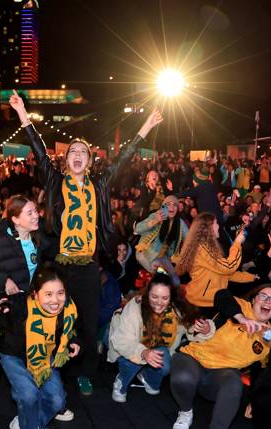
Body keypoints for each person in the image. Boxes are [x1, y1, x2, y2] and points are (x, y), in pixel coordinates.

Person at [10, 90, 163, 395]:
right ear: (66, 160)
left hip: (88, 267)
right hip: (60, 266)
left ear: (89, 160)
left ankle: (86, 372)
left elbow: (123, 158)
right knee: (58, 319)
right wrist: (22, 115)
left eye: (83, 151)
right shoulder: (55, 182)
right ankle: (55, 369)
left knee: (89, 324)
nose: (77, 154)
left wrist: (145, 127)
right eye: (72, 152)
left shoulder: (99, 185)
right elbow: (39, 151)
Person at [169, 285, 271, 429]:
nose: (268, 302)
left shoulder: (268, 338)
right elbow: (221, 295)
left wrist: (255, 399)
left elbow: (263, 372)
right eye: (263, 296)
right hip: (193, 358)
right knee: (183, 378)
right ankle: (185, 411)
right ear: (253, 300)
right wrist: (241, 318)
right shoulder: (239, 307)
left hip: (218, 378)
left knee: (234, 382)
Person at [0, 266, 80, 429]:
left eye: (60, 293)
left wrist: (74, 340)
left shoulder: (68, 309)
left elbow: (69, 330)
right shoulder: (19, 304)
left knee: (57, 400)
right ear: (35, 294)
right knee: (28, 395)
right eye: (48, 294)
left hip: (44, 356)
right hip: (14, 357)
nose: (55, 300)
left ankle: (22, 424)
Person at [107, 272, 210, 403]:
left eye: (165, 298)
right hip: (127, 345)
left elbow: (191, 328)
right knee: (132, 362)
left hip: (155, 346)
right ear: (147, 293)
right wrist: (143, 352)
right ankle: (122, 380)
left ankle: (146, 376)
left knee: (164, 367)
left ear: (171, 297)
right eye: (154, 297)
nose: (159, 303)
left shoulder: (175, 310)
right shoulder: (135, 307)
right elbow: (122, 341)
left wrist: (204, 329)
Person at [175, 213, 256, 317]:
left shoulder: (209, 248)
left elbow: (224, 274)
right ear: (208, 228)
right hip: (201, 303)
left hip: (211, 301)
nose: (219, 226)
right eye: (216, 223)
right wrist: (237, 244)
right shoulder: (202, 249)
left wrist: (251, 277)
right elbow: (229, 267)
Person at [134, 196, 189, 284]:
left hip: (162, 257)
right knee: (162, 277)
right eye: (168, 204)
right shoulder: (157, 215)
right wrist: (155, 221)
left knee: (176, 281)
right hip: (145, 253)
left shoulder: (179, 223)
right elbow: (137, 229)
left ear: (177, 208)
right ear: (163, 207)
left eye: (174, 205)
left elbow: (189, 238)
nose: (171, 207)